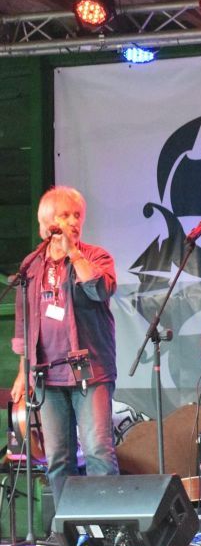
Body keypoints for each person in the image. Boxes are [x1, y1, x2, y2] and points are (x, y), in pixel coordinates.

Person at [10, 186, 119, 506]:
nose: (73, 221)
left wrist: (73, 253)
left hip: (90, 371)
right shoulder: (32, 265)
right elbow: (23, 322)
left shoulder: (96, 256)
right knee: (58, 457)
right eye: (65, 215)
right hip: (46, 374)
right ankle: (69, 524)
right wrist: (23, 373)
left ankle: (108, 524)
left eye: (77, 215)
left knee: (98, 450)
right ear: (48, 223)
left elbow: (100, 289)